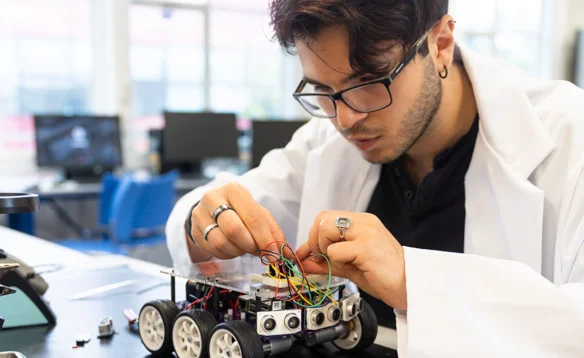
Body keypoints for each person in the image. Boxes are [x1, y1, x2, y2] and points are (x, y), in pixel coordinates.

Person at [167, 0, 584, 356]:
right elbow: (211, 205)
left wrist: (411, 281)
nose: (345, 119)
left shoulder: (568, 136)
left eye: (369, 82)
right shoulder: (323, 141)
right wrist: (201, 222)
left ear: (440, 44)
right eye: (322, 89)